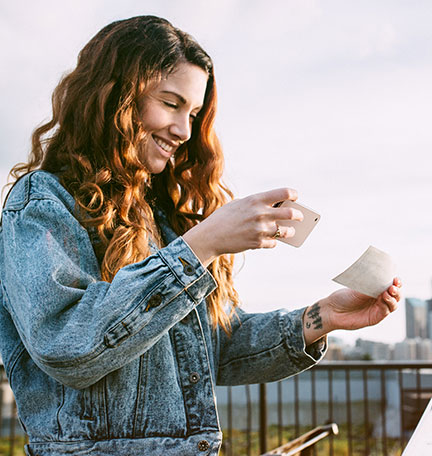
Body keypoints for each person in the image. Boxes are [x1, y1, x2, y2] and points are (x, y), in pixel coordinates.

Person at [0, 15, 401, 456]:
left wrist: (321, 318)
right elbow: (66, 345)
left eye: (192, 113)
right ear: (114, 95)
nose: (184, 130)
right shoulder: (41, 203)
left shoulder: (160, 216)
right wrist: (201, 245)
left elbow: (216, 346)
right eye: (170, 103)